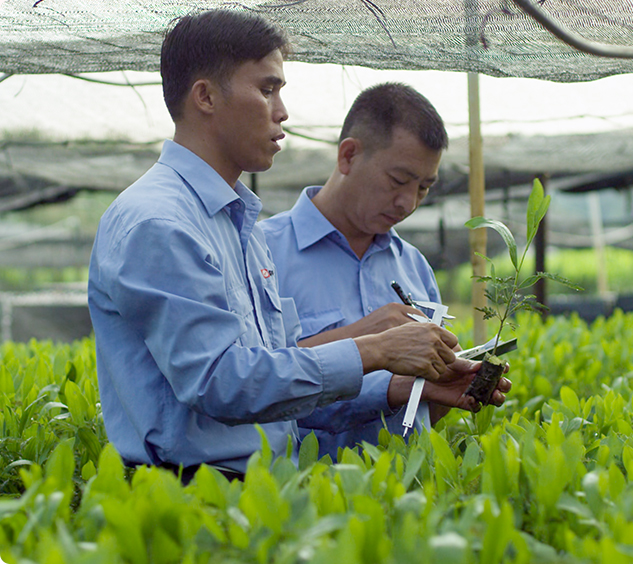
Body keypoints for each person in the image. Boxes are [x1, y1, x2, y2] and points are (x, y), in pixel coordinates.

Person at [87, 11, 465, 481]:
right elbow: (220, 383)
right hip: (191, 491)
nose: (282, 111)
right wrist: (376, 348)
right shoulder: (160, 222)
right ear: (205, 96)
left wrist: (406, 381)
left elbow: (277, 369)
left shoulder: (238, 226)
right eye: (267, 89)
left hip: (265, 484)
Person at [261, 83, 511, 459]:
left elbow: (425, 415)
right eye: (397, 181)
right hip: (300, 501)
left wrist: (444, 385)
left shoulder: (414, 267)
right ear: (348, 155)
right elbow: (249, 385)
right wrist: (370, 351)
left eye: (424, 188)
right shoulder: (262, 253)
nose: (407, 202)